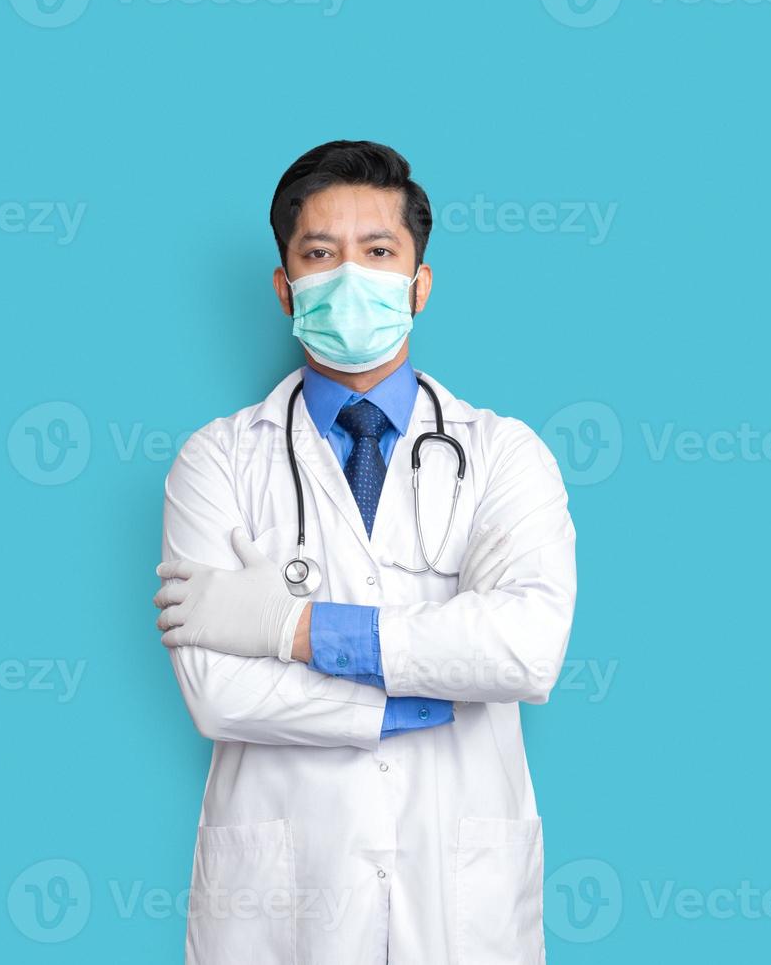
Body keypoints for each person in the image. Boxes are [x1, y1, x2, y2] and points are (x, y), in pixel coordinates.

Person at [153, 140, 577, 964]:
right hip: (281, 904)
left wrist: (290, 626)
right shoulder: (216, 461)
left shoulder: (503, 453)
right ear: (285, 289)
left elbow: (524, 650)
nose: (350, 277)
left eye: (378, 252)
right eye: (320, 254)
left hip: (460, 899)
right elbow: (218, 694)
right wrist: (391, 710)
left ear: (419, 284)